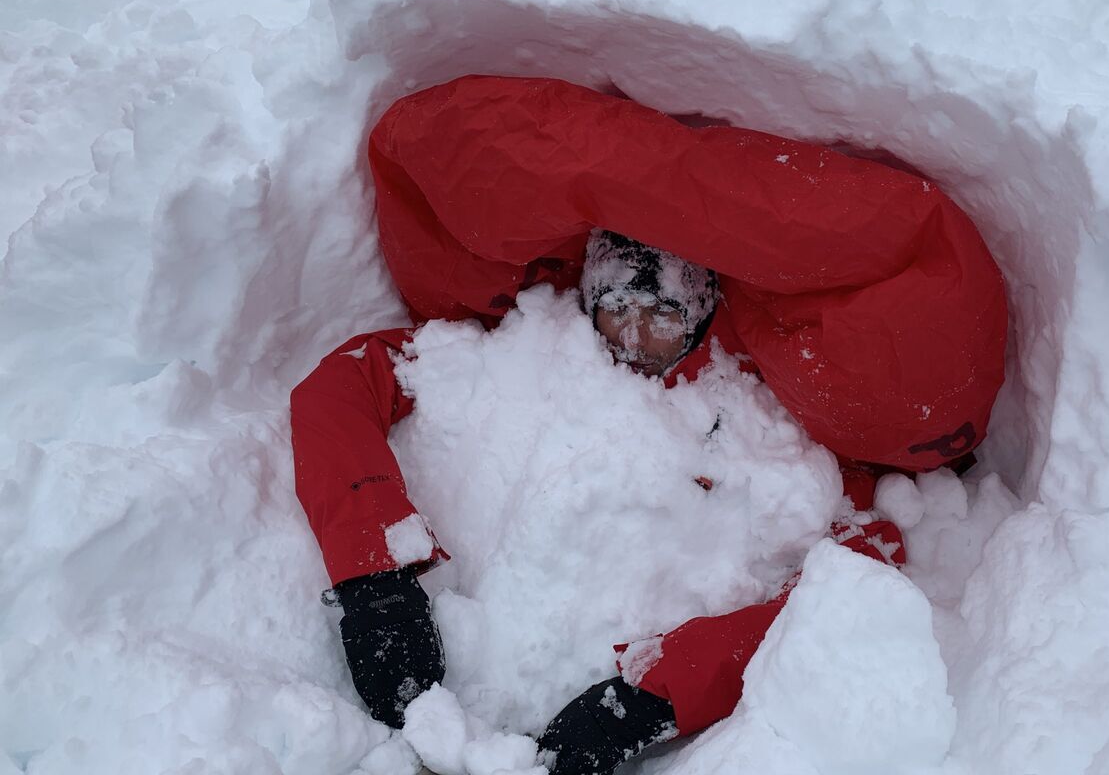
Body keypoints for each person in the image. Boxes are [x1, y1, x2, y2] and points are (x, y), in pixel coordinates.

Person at [291, 229, 907, 774]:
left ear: (698, 309)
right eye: (617, 309)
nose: (635, 336)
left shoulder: (758, 414)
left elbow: (863, 558)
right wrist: (375, 577)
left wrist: (652, 699)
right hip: (450, 687)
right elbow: (339, 386)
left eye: (663, 311)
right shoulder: (516, 353)